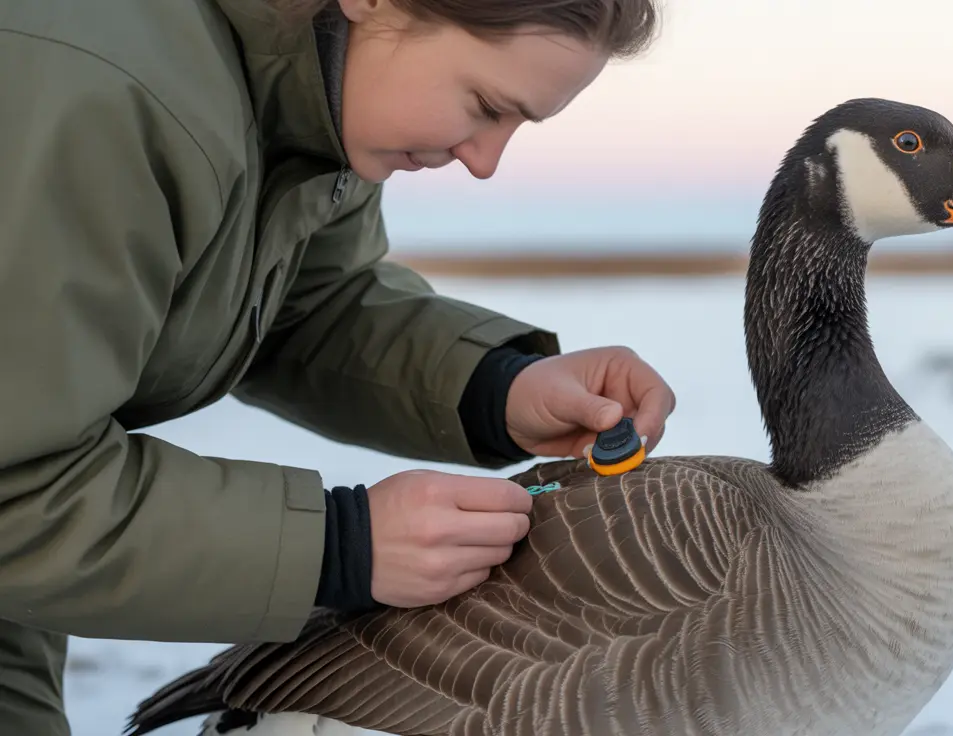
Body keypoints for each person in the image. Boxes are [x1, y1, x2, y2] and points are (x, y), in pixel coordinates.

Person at [0, 0, 673, 733]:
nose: (485, 162)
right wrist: (341, 545)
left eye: (517, 126)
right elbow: (17, 487)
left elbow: (301, 305)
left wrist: (498, 387)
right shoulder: (99, 91)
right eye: (483, 106)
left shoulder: (317, 106)